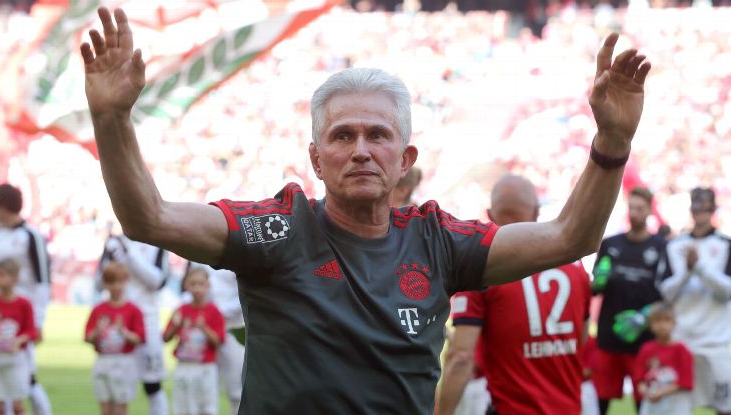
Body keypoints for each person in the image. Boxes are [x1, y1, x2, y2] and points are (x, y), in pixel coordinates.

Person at [80, 7, 650, 413]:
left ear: (404, 159)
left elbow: (572, 236)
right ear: (316, 158)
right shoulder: (278, 228)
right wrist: (111, 121)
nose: (359, 149)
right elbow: (148, 219)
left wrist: (612, 145)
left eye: (377, 135)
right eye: (342, 136)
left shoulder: (439, 240)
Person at [438, 175, 592, 415]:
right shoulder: (576, 268)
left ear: (490, 214)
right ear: (537, 211)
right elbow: (581, 338)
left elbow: (461, 358)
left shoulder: (480, 270)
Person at [590, 186, 666, 414]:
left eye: (640, 208)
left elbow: (667, 296)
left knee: (643, 399)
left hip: (643, 339)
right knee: (602, 399)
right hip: (608, 336)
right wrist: (597, 282)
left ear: (650, 211)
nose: (634, 213)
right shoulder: (610, 244)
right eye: (631, 207)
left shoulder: (661, 247)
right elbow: (594, 289)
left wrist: (644, 317)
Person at [658, 187, 731, 415]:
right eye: (696, 206)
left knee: (725, 407)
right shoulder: (673, 246)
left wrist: (698, 267)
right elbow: (665, 293)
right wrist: (688, 272)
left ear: (713, 210)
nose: (700, 212)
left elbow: (727, 291)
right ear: (691, 209)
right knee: (675, 407)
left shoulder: (726, 245)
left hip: (716, 342)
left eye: (705, 207)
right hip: (681, 341)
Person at [96, 226, 170, 415]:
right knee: (114, 389)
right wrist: (110, 263)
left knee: (152, 385)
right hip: (117, 324)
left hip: (147, 322)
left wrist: (129, 254)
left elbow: (157, 281)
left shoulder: (158, 241)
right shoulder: (113, 243)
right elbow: (98, 283)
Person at [0, 184, 52, 415]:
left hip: (22, 315)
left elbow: (42, 280)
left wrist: (38, 320)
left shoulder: (31, 235)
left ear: (1, 204)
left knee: (27, 378)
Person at [183, 262, 245, 414]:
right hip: (203, 329)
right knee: (202, 386)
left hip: (233, 328)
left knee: (237, 388)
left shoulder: (238, 249)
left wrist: (215, 314)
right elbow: (188, 288)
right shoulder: (196, 255)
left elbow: (243, 295)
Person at [85, 262, 145, 415]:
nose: (116, 287)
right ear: (105, 284)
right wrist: (98, 330)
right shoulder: (99, 309)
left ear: (125, 282)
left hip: (123, 362)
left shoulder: (133, 310)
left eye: (119, 282)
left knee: (120, 407)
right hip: (103, 360)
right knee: (105, 408)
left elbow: (139, 338)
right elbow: (88, 337)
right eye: (111, 282)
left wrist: (123, 331)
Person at [164, 267, 225, 415]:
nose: (197, 288)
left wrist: (204, 328)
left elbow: (219, 341)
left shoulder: (214, 311)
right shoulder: (181, 310)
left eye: (201, 284)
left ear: (208, 286)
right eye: (193, 284)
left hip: (205, 368)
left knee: (206, 407)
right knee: (183, 407)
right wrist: (175, 324)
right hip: (184, 366)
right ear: (186, 286)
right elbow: (166, 338)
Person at [0, 258, 37, 415]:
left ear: (14, 277)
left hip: (15, 358)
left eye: (2, 275)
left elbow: (32, 331)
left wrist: (19, 340)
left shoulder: (23, 304)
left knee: (17, 403)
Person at [633, 302, 693, 415]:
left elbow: (685, 382)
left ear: (674, 323)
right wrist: (646, 392)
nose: (662, 325)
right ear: (650, 324)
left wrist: (660, 393)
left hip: (676, 403)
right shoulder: (646, 349)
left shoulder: (682, 350)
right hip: (653, 403)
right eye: (657, 321)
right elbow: (639, 379)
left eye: (666, 320)